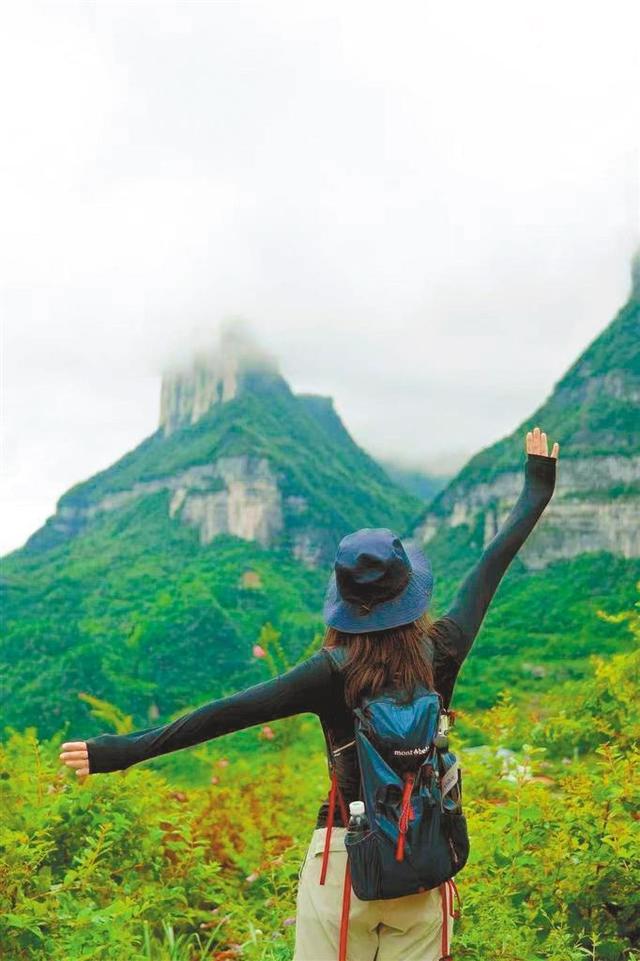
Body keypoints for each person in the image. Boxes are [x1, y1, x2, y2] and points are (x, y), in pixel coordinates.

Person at [60, 425, 559, 961]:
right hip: (424, 856)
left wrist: (121, 751)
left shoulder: (328, 671)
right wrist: (537, 487)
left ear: (343, 602)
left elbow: (222, 715)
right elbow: (491, 563)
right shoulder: (442, 649)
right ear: (409, 594)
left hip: (344, 862)